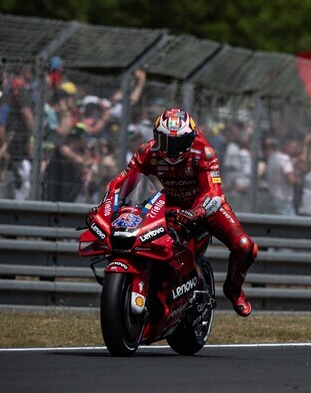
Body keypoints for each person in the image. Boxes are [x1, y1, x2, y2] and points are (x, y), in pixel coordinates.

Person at [89, 108, 258, 317]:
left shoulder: (204, 152)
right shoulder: (147, 152)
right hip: (169, 203)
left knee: (246, 247)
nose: (170, 149)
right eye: (164, 141)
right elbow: (119, 184)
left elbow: (213, 192)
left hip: (205, 206)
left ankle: (233, 289)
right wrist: (103, 209)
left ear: (190, 138)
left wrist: (198, 211)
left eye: (177, 143)